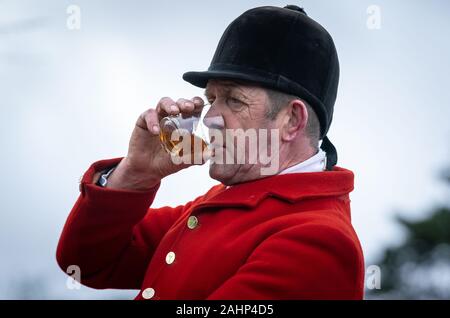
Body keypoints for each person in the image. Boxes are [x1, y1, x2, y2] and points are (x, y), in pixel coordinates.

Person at [57, 5, 365, 300]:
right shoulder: (225, 201)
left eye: (233, 99)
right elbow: (86, 261)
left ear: (292, 120)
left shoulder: (320, 241)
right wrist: (137, 174)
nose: (208, 118)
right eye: (212, 97)